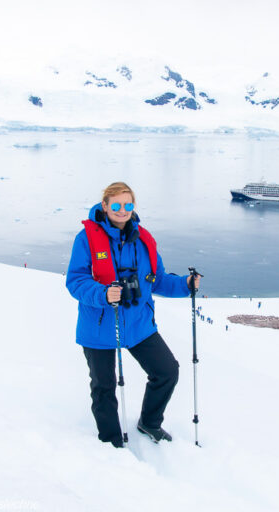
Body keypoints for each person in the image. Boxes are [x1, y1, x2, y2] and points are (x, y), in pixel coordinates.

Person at [66, 182, 201, 448]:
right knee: (104, 386)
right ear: (105, 206)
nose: (122, 210)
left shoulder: (144, 239)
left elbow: (157, 279)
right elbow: (76, 281)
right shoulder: (86, 239)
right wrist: (103, 294)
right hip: (100, 326)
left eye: (128, 204)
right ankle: (111, 441)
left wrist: (185, 285)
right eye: (116, 204)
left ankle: (149, 422)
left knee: (167, 371)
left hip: (139, 323)